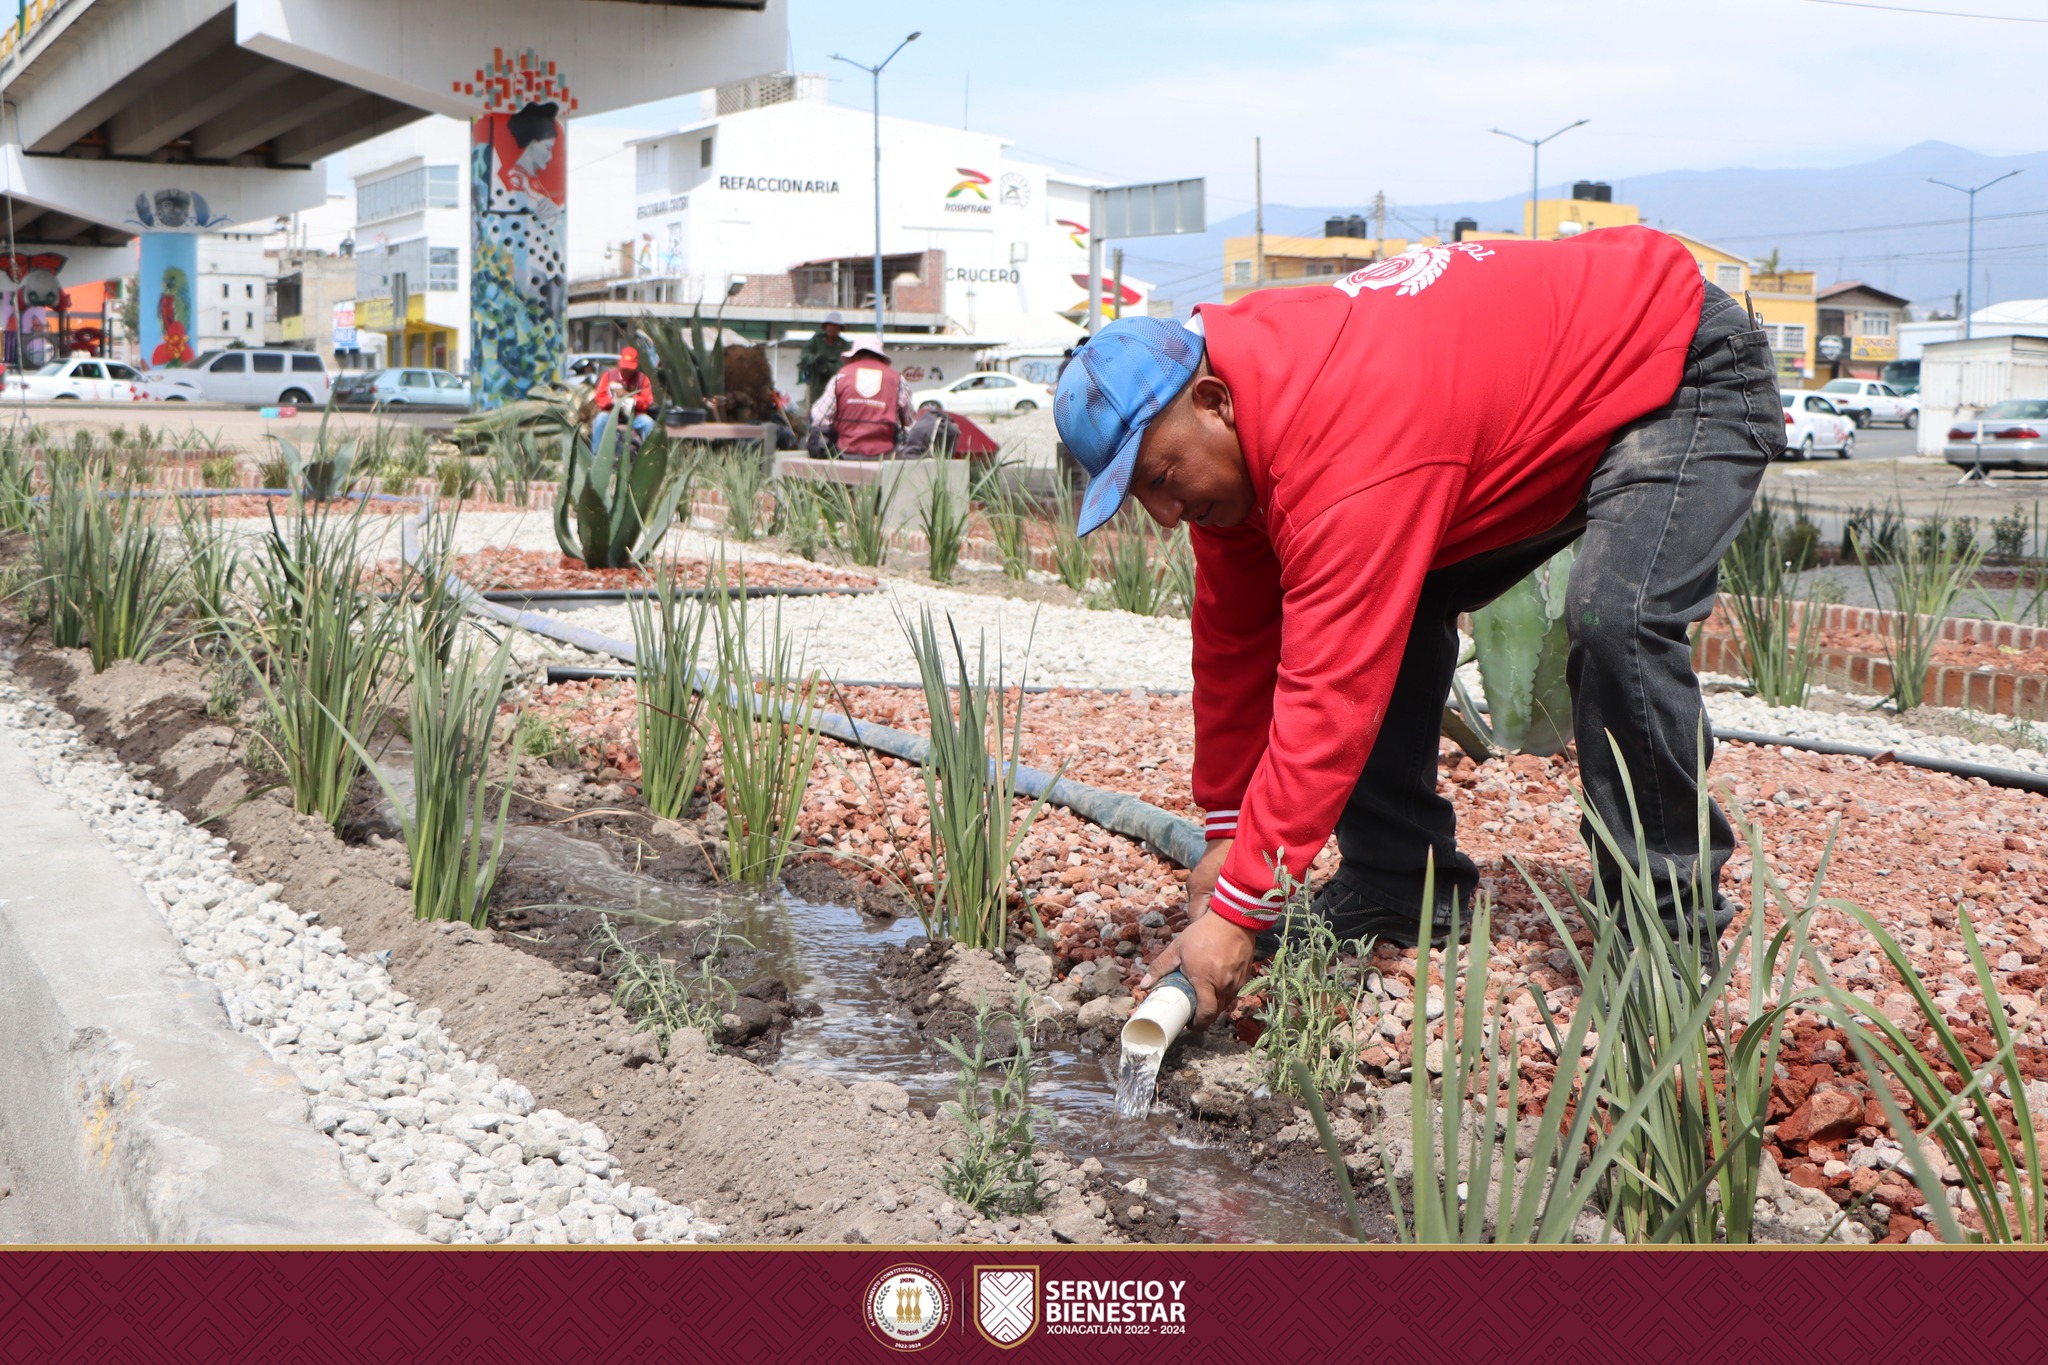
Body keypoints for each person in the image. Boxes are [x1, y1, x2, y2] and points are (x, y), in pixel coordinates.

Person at [1052, 226, 1781, 1033]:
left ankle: (1666, 931)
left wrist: (1236, 913)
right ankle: (1400, 882)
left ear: (1214, 403)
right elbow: (1233, 649)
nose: (1162, 513)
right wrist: (1226, 831)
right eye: (1138, 497)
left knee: (1619, 615)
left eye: (1160, 478)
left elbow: (1330, 690)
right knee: (1384, 598)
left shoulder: (1339, 434)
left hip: (1676, 365)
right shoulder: (1232, 434)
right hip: (1535, 413)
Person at [807, 336, 914, 459]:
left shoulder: (841, 376)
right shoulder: (897, 379)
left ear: (855, 356)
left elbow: (819, 417)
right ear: (880, 358)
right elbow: (908, 420)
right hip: (885, 454)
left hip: (846, 453)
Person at [592, 345, 655, 451]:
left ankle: (647, 457)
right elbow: (600, 399)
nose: (626, 371)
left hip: (634, 416)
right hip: (611, 414)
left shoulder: (642, 379)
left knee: (648, 423)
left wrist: (630, 395)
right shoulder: (608, 376)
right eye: (624, 368)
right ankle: (596, 457)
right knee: (600, 420)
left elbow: (646, 403)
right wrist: (612, 401)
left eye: (629, 369)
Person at [798, 311, 851, 407]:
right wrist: (814, 359)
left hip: (835, 387)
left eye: (836, 326)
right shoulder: (817, 340)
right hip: (816, 386)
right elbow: (805, 354)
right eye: (830, 325)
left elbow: (845, 366)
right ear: (825, 327)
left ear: (840, 328)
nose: (833, 328)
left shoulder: (845, 346)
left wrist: (826, 367)